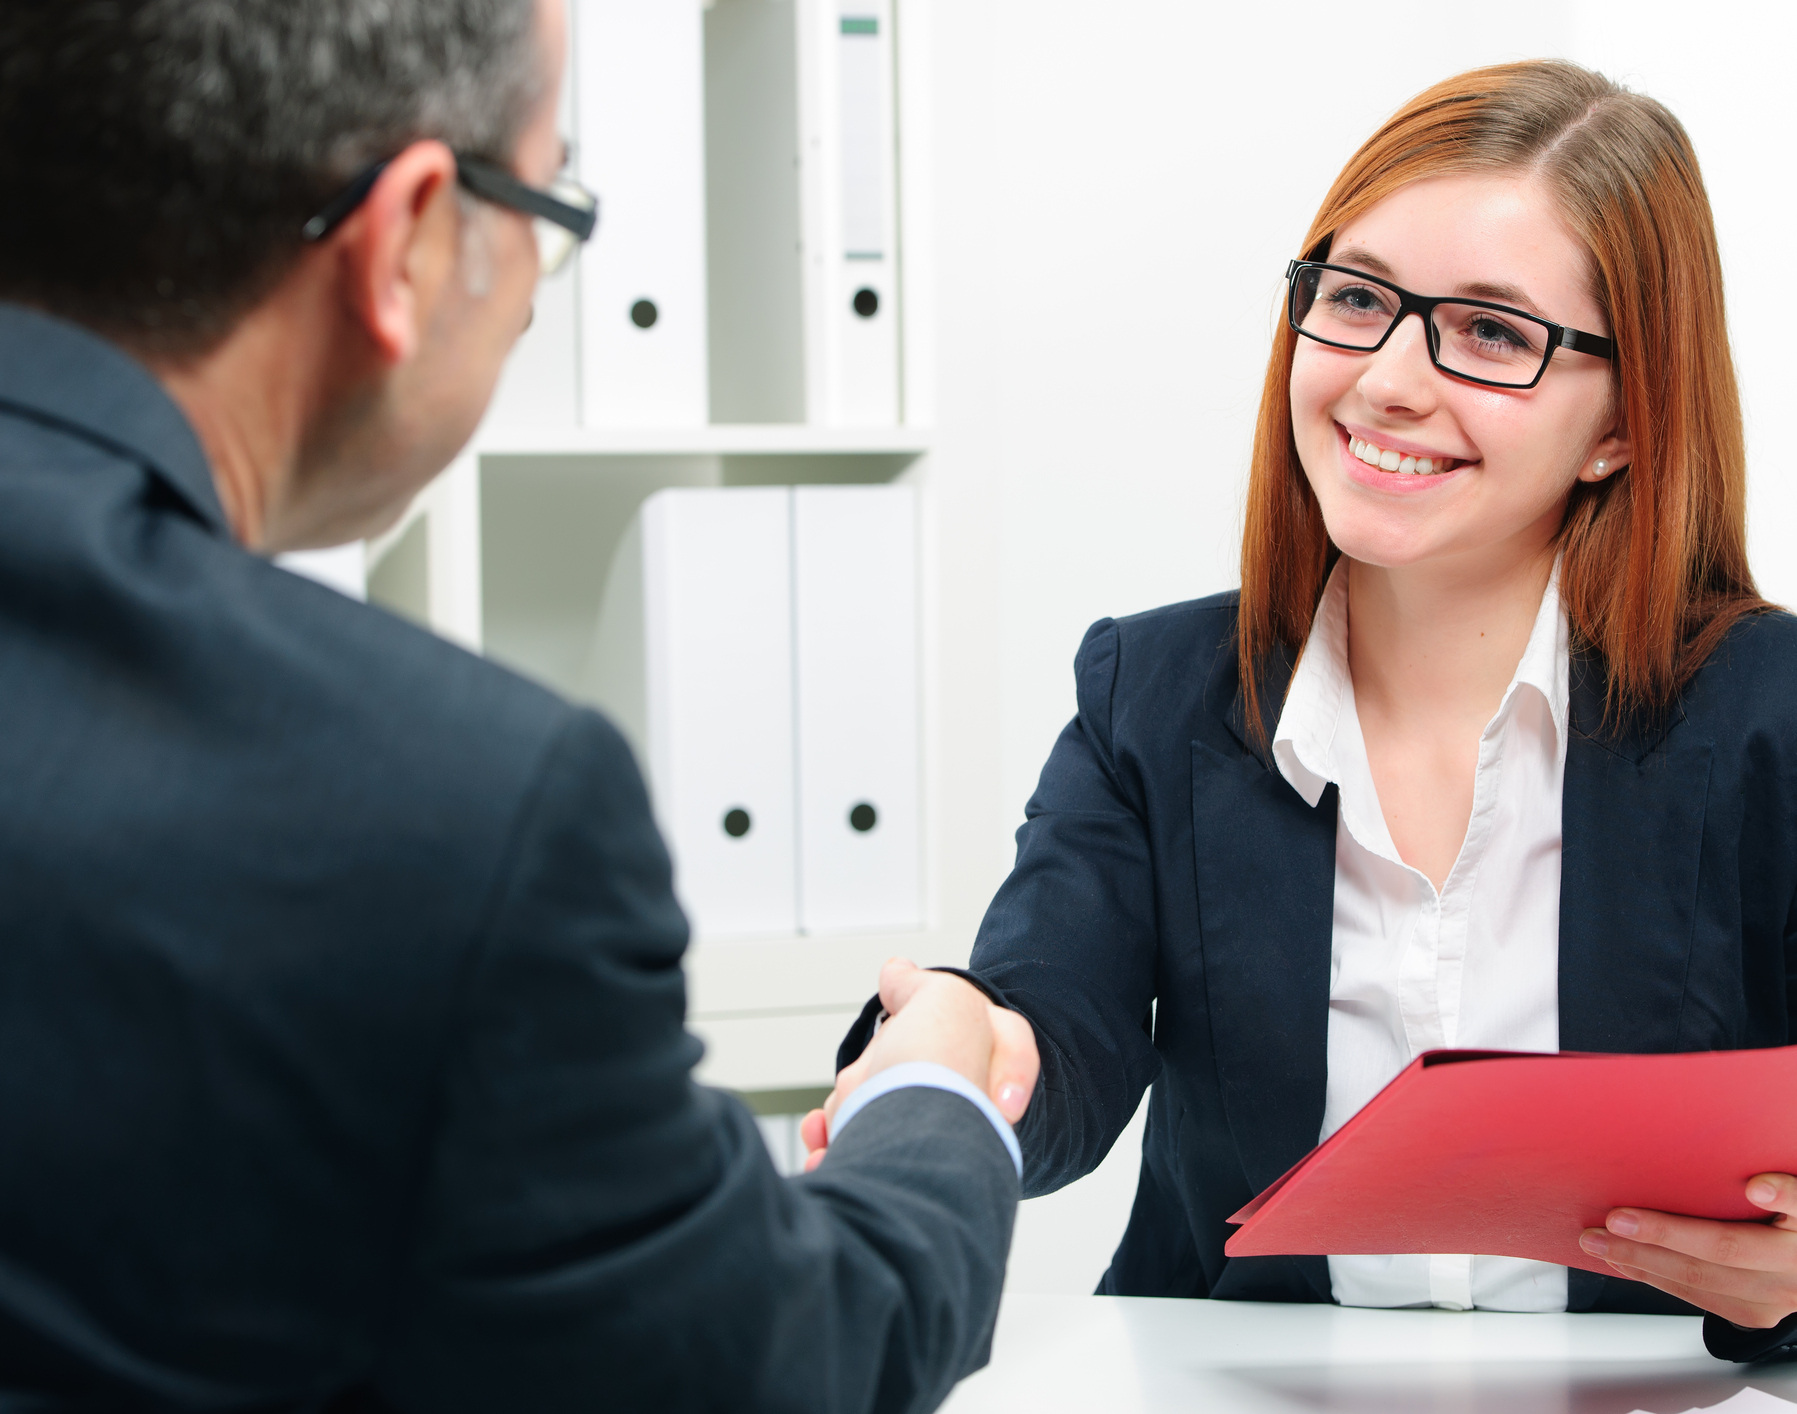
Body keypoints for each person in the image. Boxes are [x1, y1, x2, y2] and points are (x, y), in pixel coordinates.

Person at [822, 60, 1797, 1360]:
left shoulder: (1778, 716)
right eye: (1354, 300)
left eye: (1492, 334)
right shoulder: (1155, 697)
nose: (1389, 379)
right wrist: (972, 1044)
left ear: (1620, 423)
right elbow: (1052, 1029)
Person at [0, 2, 1033, 1408]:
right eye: (550, 208)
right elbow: (782, 1363)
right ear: (410, 237)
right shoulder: (449, 807)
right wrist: (935, 1092)